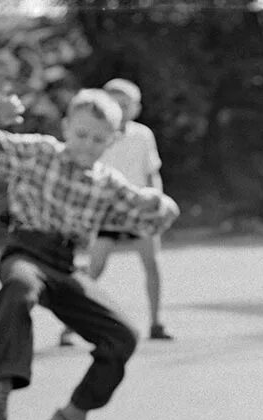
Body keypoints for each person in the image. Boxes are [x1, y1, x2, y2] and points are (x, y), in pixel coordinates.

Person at [0, 88, 179, 420]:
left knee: (123, 335)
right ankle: (0, 390)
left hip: (66, 267)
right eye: (80, 135)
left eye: (98, 139)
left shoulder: (106, 183)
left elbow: (148, 210)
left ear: (111, 141)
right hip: (27, 253)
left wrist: (164, 206)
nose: (87, 145)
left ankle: (74, 415)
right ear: (66, 127)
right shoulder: (40, 153)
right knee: (18, 287)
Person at [61, 78, 172, 345]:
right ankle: (70, 326)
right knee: (95, 268)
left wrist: (156, 203)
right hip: (107, 211)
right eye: (115, 102)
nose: (120, 108)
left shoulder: (143, 135)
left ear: (136, 107)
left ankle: (156, 323)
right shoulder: (98, 134)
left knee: (152, 265)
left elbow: (151, 173)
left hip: (139, 210)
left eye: (126, 104)